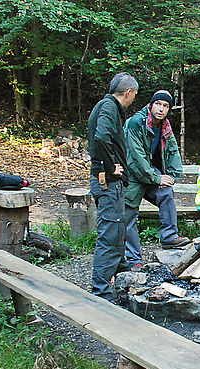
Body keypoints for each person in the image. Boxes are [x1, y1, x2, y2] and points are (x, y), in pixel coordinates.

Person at [123, 90, 190, 269]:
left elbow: (173, 151)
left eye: (165, 106)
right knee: (129, 213)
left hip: (150, 173)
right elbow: (135, 158)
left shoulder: (165, 126)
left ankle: (169, 237)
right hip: (131, 173)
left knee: (166, 192)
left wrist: (173, 176)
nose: (161, 109)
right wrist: (156, 177)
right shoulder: (136, 123)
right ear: (151, 105)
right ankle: (133, 259)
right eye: (158, 104)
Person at [88, 72, 138, 301]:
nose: (133, 99)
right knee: (110, 234)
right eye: (134, 96)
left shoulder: (106, 106)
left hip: (112, 184)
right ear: (128, 93)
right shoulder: (109, 107)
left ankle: (121, 274)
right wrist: (110, 168)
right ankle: (101, 291)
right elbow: (101, 137)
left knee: (118, 230)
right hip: (107, 182)